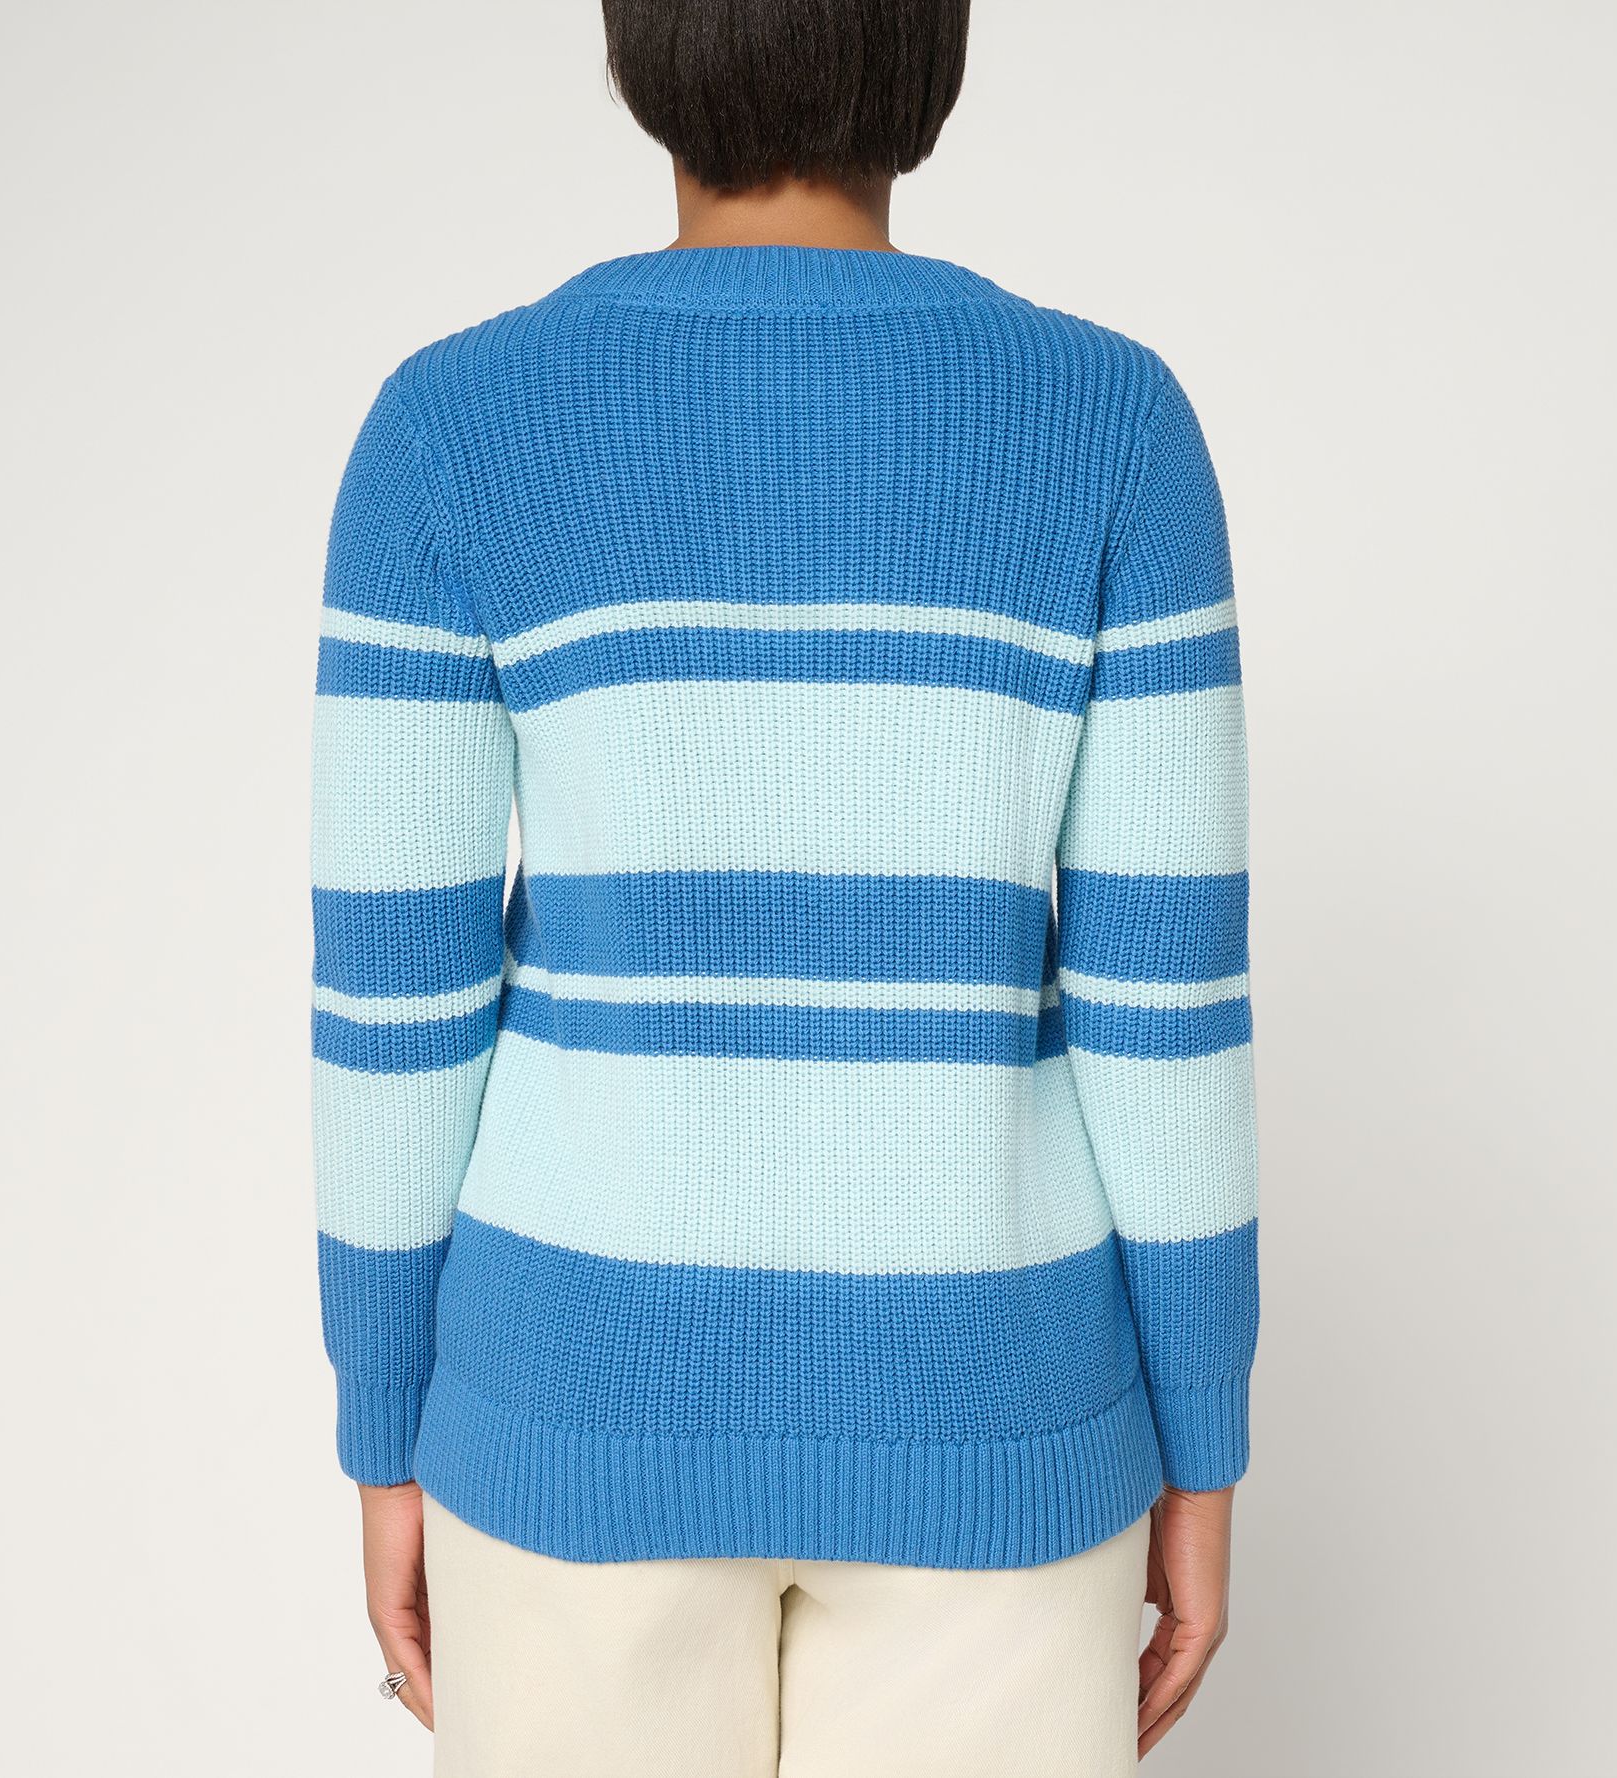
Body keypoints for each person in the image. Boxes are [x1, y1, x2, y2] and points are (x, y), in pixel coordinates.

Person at [308, 2, 1259, 1771]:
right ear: (930, 46)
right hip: (994, 1411)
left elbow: (394, 1003)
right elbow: (1166, 1004)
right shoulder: (1111, 422)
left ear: (641, 43)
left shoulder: (452, 425)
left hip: (573, 1407)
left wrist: (384, 1427)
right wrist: (1203, 1445)